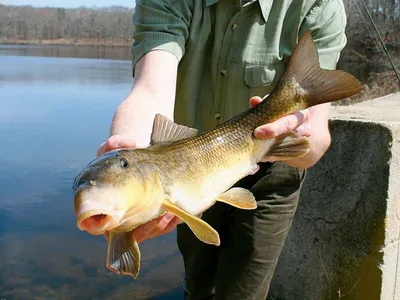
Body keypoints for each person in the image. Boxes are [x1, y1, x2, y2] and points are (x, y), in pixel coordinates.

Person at [97, 0, 347, 298]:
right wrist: (127, 151)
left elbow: (316, 141)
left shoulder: (319, 5)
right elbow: (150, 90)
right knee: (198, 284)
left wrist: (299, 134)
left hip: (272, 170)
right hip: (187, 169)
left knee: (245, 292)